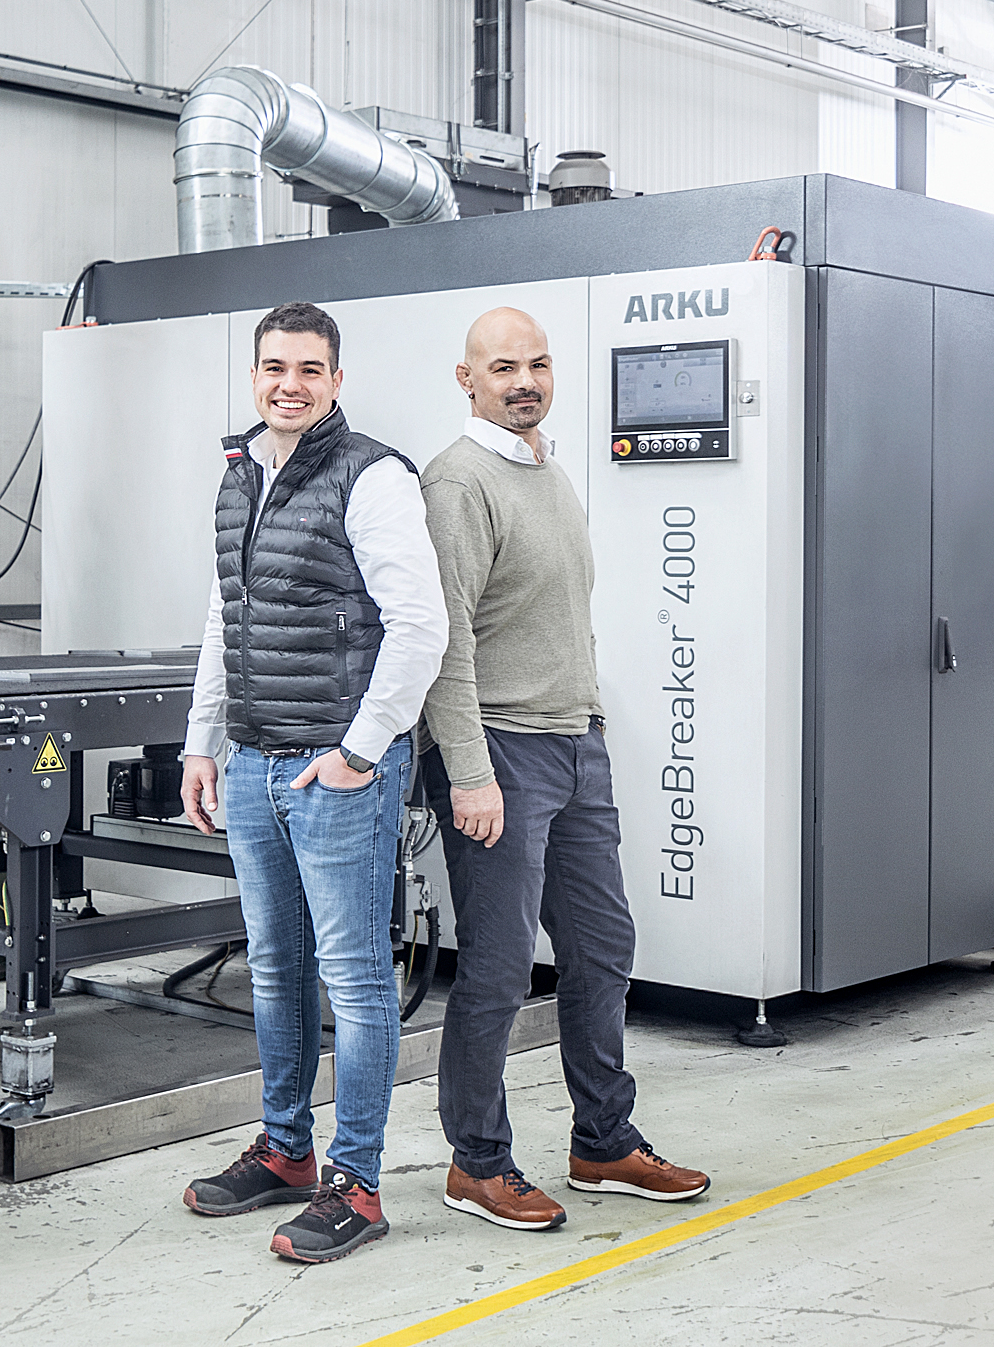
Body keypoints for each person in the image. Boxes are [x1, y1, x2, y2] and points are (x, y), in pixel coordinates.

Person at [418, 306, 709, 1232]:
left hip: (575, 744)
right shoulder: (457, 482)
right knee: (500, 966)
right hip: (501, 750)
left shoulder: (547, 469)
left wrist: (590, 724)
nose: (524, 381)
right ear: (467, 378)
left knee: (602, 947)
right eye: (504, 366)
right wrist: (469, 770)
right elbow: (446, 640)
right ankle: (476, 1162)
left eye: (537, 364)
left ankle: (603, 1141)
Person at [175, 300, 448, 1264]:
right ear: (255, 375)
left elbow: (420, 627)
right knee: (275, 968)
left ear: (336, 380)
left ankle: (356, 1183)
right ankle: (287, 1151)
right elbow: (226, 617)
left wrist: (361, 752)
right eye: (274, 367)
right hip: (254, 759)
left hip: (337, 769)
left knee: (356, 979)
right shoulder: (238, 474)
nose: (288, 384)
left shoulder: (371, 475)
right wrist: (202, 742)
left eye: (308, 369)